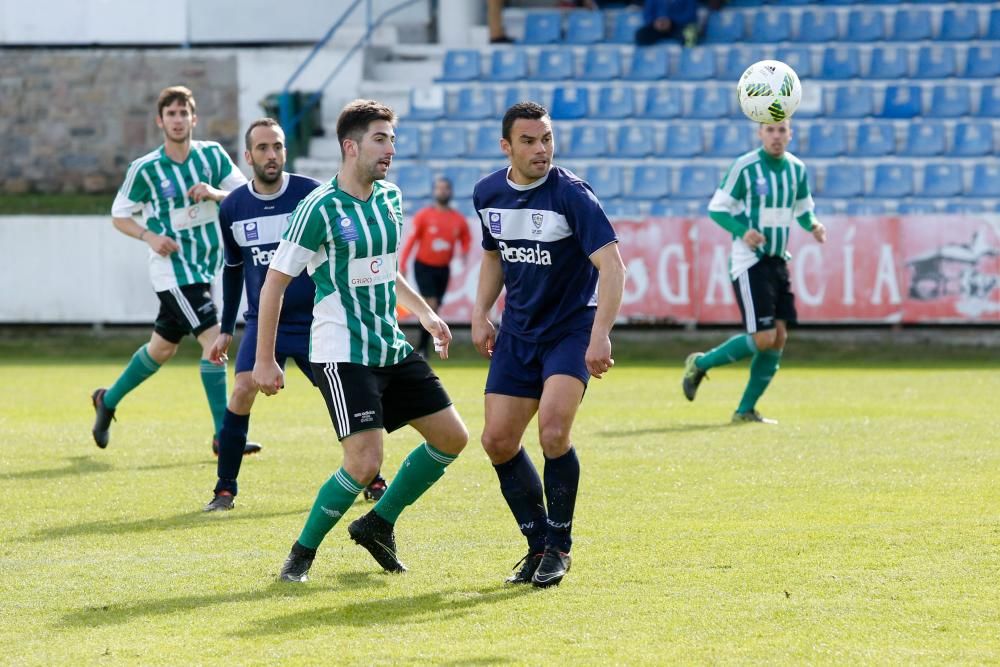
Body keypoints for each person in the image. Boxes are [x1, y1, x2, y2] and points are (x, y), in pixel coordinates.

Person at [252, 99, 469, 583]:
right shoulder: (318, 208)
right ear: (350, 147)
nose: (390, 148)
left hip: (389, 345)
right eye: (380, 139)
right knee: (365, 460)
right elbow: (274, 284)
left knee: (453, 437)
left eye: (392, 139)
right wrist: (265, 360)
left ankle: (378, 522)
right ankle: (300, 557)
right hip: (341, 352)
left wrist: (427, 314)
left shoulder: (390, 199)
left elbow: (387, 272)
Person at [471, 102, 626, 588]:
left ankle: (559, 545)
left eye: (547, 140)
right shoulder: (487, 193)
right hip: (518, 333)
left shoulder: (573, 196)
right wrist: (480, 313)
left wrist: (600, 333)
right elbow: (494, 256)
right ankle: (537, 544)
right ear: (506, 147)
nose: (542, 150)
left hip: (570, 330)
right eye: (529, 141)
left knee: (553, 434)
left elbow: (613, 267)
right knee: (497, 441)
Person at [201, 118, 387, 512]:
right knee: (242, 390)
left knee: (341, 396)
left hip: (317, 320)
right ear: (248, 156)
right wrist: (225, 328)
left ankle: (372, 477)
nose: (272, 155)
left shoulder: (310, 194)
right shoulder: (233, 207)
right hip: (263, 321)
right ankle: (224, 489)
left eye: (278, 147)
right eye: (264, 148)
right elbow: (234, 269)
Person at [91, 85, 251, 455]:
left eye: (184, 113)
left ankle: (107, 399)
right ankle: (223, 436)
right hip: (173, 272)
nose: (178, 120)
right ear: (160, 121)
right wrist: (149, 236)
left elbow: (244, 195)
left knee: (160, 350)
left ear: (194, 118)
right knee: (215, 343)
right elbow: (119, 215)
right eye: (171, 114)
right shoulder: (146, 169)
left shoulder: (211, 156)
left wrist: (214, 193)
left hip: (205, 269)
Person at [682, 119, 827, 424]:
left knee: (778, 338)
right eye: (770, 130)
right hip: (749, 261)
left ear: (790, 134)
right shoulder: (745, 167)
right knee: (764, 337)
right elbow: (717, 208)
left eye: (782, 130)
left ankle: (745, 410)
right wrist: (742, 230)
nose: (776, 136)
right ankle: (701, 363)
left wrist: (812, 224)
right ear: (760, 133)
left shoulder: (796, 169)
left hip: (777, 259)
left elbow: (803, 209)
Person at [399, 176, 471, 359]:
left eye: (445, 188)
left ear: (450, 192)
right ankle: (423, 348)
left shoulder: (458, 219)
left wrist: (464, 251)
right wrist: (404, 263)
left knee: (435, 307)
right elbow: (411, 241)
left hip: (443, 269)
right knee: (430, 304)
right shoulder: (424, 216)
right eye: (439, 188)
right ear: (434, 191)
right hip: (423, 266)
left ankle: (425, 345)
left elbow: (466, 238)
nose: (442, 191)